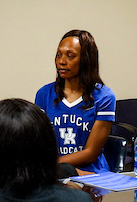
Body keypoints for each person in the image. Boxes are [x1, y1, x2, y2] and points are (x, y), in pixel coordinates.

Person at [34, 30, 117, 175]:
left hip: (90, 174)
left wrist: (50, 166)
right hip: (54, 174)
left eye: (70, 56)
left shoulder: (104, 97)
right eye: (59, 55)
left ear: (86, 60)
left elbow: (91, 152)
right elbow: (38, 142)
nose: (61, 61)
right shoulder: (44, 94)